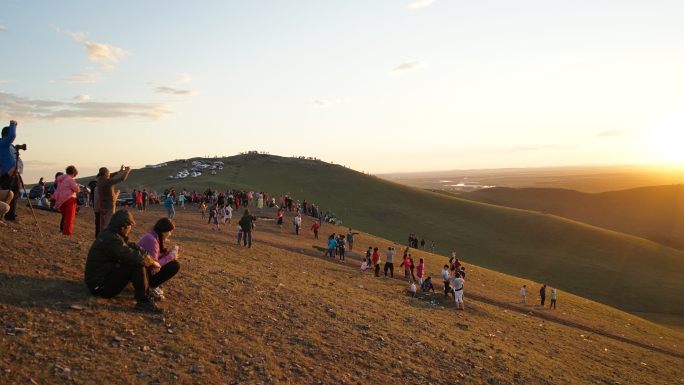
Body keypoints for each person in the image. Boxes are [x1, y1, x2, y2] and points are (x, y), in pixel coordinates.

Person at [84, 210, 177, 313]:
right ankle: (144, 301)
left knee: (138, 260)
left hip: (102, 280)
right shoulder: (111, 239)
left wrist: (150, 260)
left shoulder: (113, 235)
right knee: (137, 263)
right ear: (124, 226)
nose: (130, 228)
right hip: (99, 286)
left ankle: (145, 294)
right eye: (129, 226)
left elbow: (134, 247)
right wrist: (153, 263)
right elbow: (132, 255)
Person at [137, 217, 182, 301]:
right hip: (142, 273)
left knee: (173, 263)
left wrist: (168, 253)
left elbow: (154, 258)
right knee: (175, 265)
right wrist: (170, 257)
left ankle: (152, 285)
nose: (170, 234)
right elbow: (154, 264)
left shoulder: (153, 236)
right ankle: (151, 286)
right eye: (169, 231)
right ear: (163, 231)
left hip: (144, 270)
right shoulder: (151, 240)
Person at [96, 165, 131, 230]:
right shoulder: (107, 181)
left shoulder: (99, 180)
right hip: (109, 205)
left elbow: (110, 176)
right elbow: (121, 179)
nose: (109, 173)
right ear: (105, 173)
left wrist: (119, 171)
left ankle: (101, 236)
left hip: (102, 205)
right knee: (108, 223)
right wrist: (127, 172)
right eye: (108, 172)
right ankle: (106, 236)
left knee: (102, 223)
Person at [0, 121, 22, 221]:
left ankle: (10, 215)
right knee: (11, 194)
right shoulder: (3, 143)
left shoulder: (9, 146)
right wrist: (13, 124)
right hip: (7, 174)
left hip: (13, 173)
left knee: (14, 195)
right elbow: (12, 135)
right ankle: (9, 216)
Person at [54, 165, 80, 236]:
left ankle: (64, 231)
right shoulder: (70, 180)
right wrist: (78, 186)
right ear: (73, 173)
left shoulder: (61, 179)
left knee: (65, 217)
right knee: (69, 217)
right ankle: (67, 232)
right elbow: (76, 190)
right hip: (69, 199)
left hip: (61, 199)